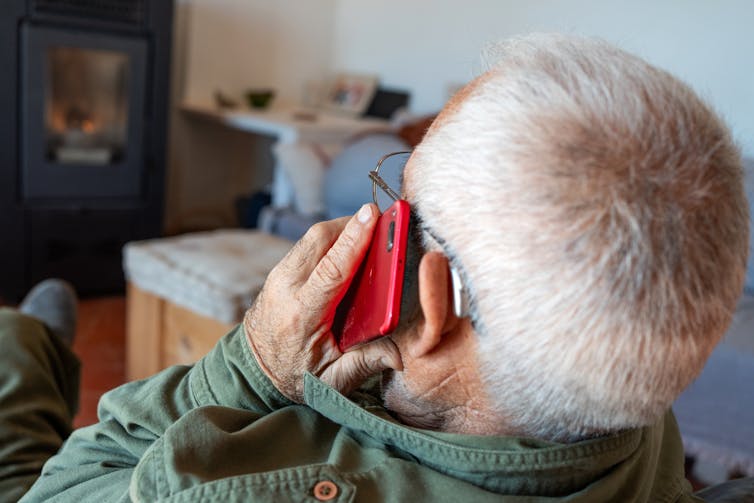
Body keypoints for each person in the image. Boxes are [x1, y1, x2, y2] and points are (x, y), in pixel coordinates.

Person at [5, 34, 750, 501]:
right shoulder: (629, 408)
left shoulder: (232, 485)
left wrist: (253, 366)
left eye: (398, 199)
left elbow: (61, 487)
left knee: (12, 411)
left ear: (436, 300)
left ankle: (28, 352)